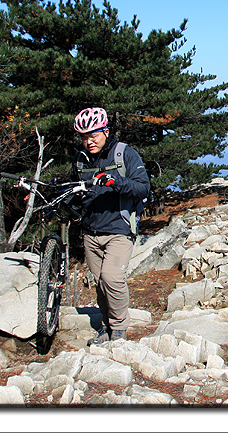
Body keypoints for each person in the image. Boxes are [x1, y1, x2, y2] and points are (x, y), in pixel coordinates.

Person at [71, 107, 150, 345]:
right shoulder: (80, 160)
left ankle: (118, 330)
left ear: (106, 130)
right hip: (90, 231)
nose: (89, 141)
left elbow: (143, 187)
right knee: (100, 284)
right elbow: (74, 191)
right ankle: (105, 327)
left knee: (112, 277)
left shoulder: (124, 154)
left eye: (93, 135)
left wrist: (118, 182)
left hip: (119, 229)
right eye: (84, 136)